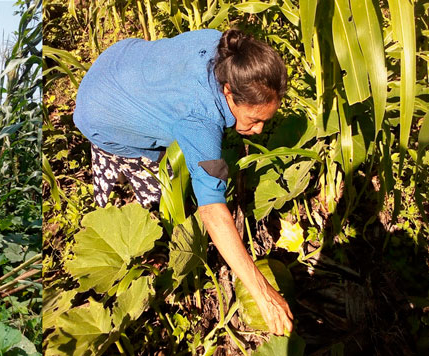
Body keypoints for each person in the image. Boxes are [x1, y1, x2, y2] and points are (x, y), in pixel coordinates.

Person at [73, 28, 294, 335]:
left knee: (191, 156)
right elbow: (213, 213)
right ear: (229, 91)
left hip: (119, 61)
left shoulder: (224, 46)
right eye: (254, 120)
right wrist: (261, 291)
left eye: (264, 122)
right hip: (99, 110)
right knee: (156, 185)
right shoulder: (200, 124)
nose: (257, 130)